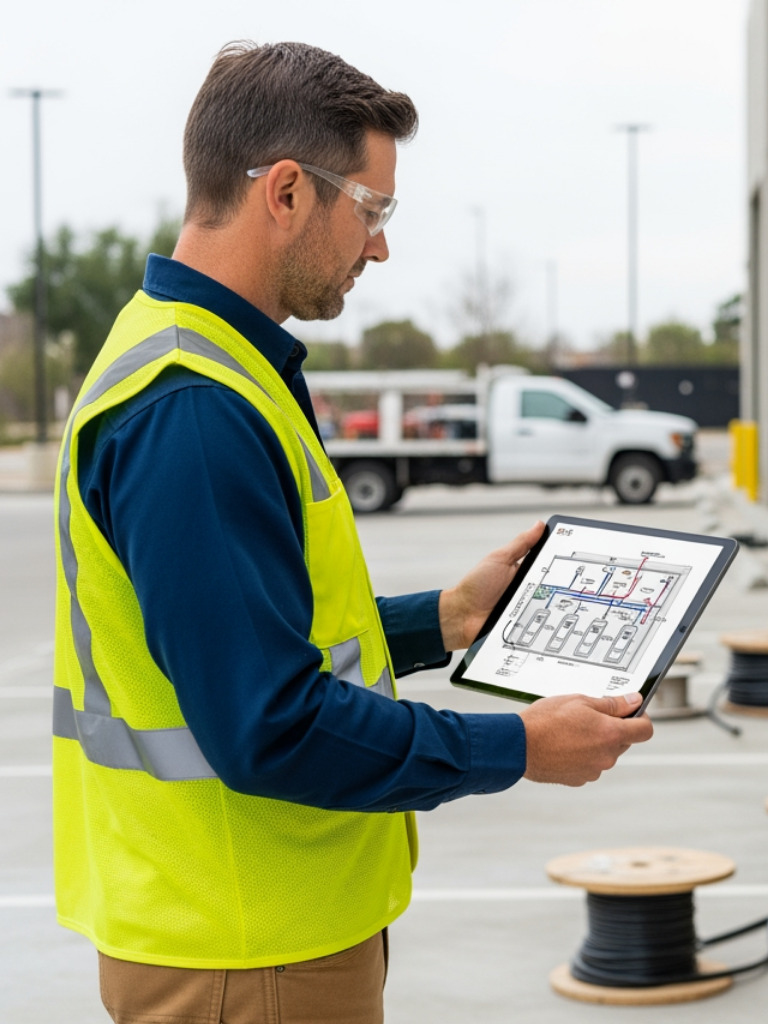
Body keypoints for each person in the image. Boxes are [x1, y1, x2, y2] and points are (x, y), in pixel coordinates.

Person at [51, 41, 654, 1024]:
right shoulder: (194, 409)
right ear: (286, 192)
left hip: (249, 933)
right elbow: (270, 723)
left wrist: (444, 618)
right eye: (373, 210)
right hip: (247, 952)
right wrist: (517, 745)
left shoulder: (203, 361)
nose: (379, 248)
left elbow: (251, 639)